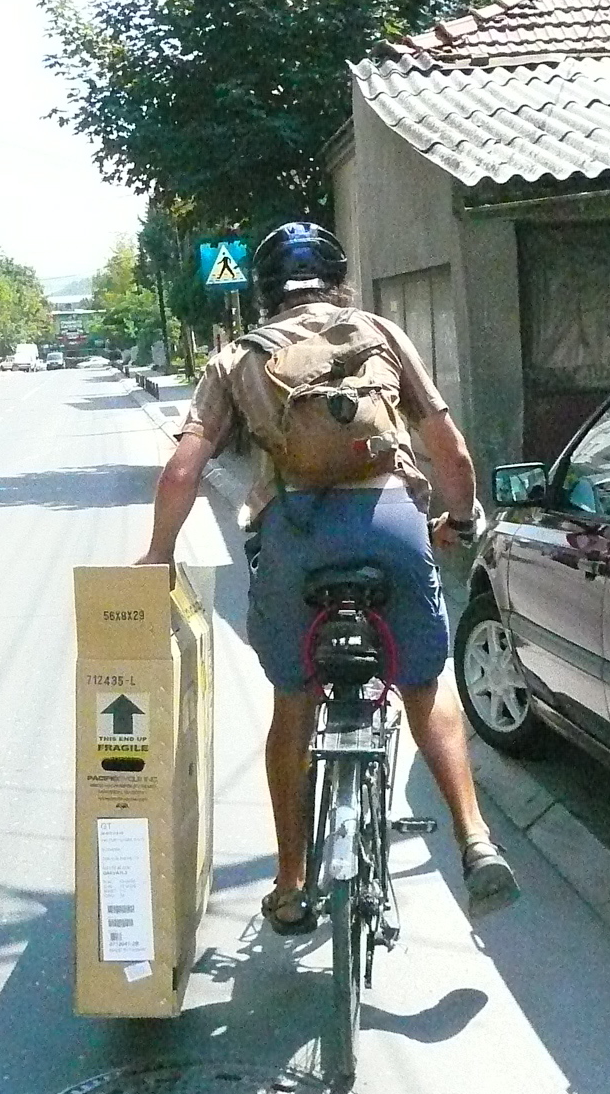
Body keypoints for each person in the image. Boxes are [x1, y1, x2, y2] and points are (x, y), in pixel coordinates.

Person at [137, 219, 520, 928]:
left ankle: (289, 884)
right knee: (423, 685)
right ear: (336, 280)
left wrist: (158, 554)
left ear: (264, 291)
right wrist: (459, 524)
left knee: (293, 703)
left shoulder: (235, 360)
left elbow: (185, 468)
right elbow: (452, 453)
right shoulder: (377, 332)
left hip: (297, 539)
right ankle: (474, 837)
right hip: (392, 525)